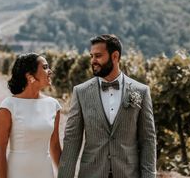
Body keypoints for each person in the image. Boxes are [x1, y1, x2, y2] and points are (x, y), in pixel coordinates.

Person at [58, 34, 156, 178]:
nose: (93, 61)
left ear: (115, 56)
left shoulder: (141, 91)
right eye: (91, 56)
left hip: (128, 174)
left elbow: (148, 140)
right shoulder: (80, 92)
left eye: (98, 56)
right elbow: (72, 140)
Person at [0, 53, 62, 178]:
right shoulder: (8, 106)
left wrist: (65, 174)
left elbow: (55, 146)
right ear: (30, 76)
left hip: (45, 172)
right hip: (17, 172)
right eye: (45, 67)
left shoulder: (53, 105)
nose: (50, 71)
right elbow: (0, 152)